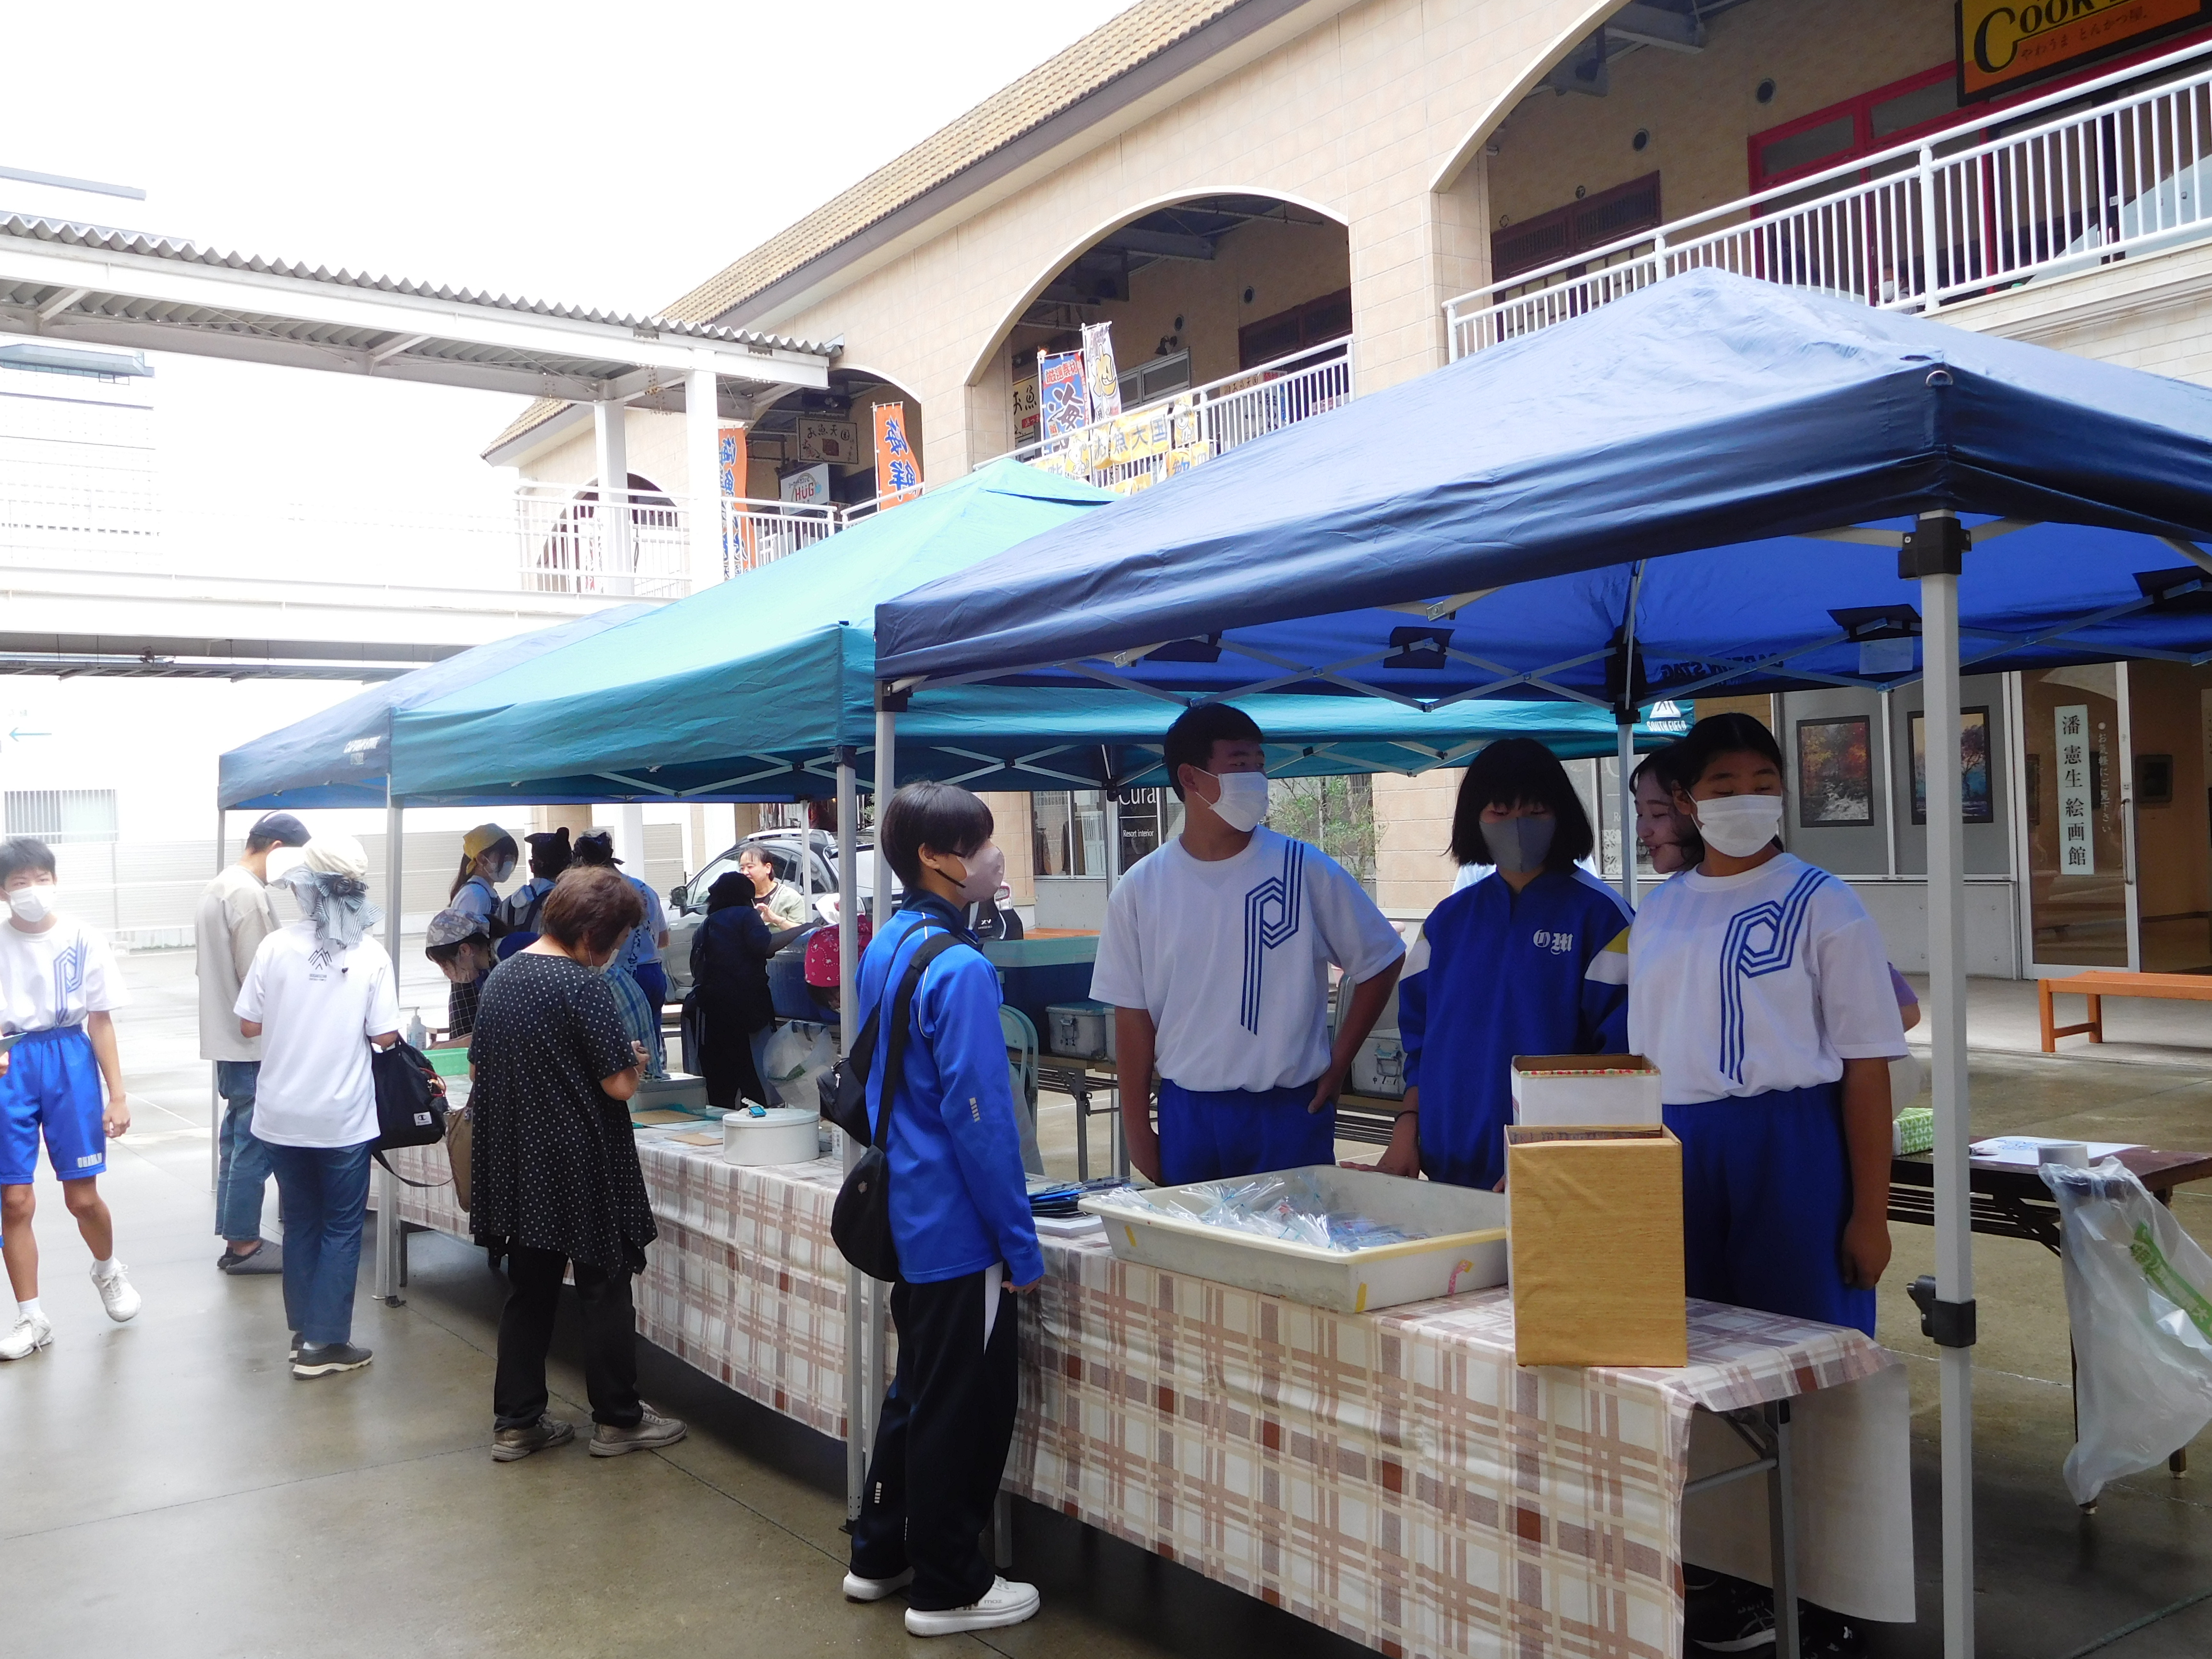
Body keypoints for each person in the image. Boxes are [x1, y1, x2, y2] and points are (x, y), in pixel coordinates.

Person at [1628, 712, 1904, 1337]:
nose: (1745, 800)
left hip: (1790, 1144)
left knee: (1802, 1336)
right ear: (1687, 800)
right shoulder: (1660, 910)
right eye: (1724, 788)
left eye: (1763, 784)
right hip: (1675, 1142)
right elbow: (1643, 1052)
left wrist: (1871, 1216)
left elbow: (1868, 1064)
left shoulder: (1824, 901)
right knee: (1693, 1336)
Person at [843, 782, 1043, 1636]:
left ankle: (879, 1553)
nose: (992, 858)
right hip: (959, 1226)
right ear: (935, 858)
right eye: (978, 845)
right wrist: (1020, 1243)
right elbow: (983, 1121)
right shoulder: (960, 968)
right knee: (962, 1407)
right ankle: (949, 1584)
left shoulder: (890, 943)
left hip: (907, 1207)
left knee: (918, 1390)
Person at [1092, 704, 1406, 1186]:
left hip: (1288, 1111)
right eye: (1240, 764)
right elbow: (1132, 1016)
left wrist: (1340, 1062)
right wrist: (1136, 1129)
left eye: (1260, 765)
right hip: (1189, 1112)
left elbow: (1382, 959)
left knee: (1294, 1235)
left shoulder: (1304, 868)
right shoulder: (1140, 888)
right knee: (1193, 1238)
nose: (1256, 779)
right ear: (1190, 778)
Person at [466, 864, 688, 1463]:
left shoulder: (505, 974)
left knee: (529, 1290)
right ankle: (618, 1418)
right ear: (593, 935)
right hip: (581, 1156)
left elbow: (481, 1066)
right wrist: (634, 1061)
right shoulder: (582, 985)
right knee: (603, 1286)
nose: (615, 952)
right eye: (616, 940)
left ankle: (517, 1423)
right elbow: (618, 1085)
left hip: (519, 1158)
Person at [1386, 740, 1631, 1189]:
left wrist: (1554, 1155)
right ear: (1474, 819)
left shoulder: (1603, 919)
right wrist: (1407, 1127)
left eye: (1536, 811)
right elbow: (1419, 1045)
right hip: (1447, 1164)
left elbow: (1621, 1063)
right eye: (1500, 812)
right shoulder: (1446, 923)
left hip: (1555, 1176)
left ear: (1562, 815)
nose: (1518, 826)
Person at [233, 835, 400, 1380]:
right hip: (342, 1116)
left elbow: (249, 1024)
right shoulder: (370, 954)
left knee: (301, 1221)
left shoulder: (275, 947)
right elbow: (385, 1036)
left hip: (280, 1114)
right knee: (342, 1226)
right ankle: (325, 1344)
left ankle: (303, 1332)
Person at [0, 837, 141, 1360]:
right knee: (14, 1200)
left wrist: (117, 1096)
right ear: (3, 891)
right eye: (20, 882)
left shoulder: (83, 937)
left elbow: (101, 1020)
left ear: (55, 881)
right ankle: (31, 1317)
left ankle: (107, 1268)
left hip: (69, 1058)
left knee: (81, 1198)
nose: (32, 890)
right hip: (11, 1063)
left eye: (41, 879)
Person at [196, 808, 309, 1274]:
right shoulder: (248, 894)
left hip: (227, 1040)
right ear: (277, 849)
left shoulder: (219, 886)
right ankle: (244, 1243)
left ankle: (236, 1237)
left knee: (237, 1141)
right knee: (254, 1145)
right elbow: (262, 978)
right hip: (253, 1044)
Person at [689, 872, 779, 1110]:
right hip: (747, 1007)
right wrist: (802, 930)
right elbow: (765, 946)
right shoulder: (746, 915)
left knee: (720, 1083)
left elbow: (696, 967)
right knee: (753, 1074)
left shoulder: (706, 925)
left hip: (711, 1010)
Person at [573, 830, 671, 1012]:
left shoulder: (595, 893)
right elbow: (663, 940)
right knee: (650, 1029)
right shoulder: (645, 889)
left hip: (617, 976)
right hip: (652, 973)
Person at [494, 828, 572, 957]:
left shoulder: (507, 905)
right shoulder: (569, 904)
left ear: (531, 866)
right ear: (569, 868)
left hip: (512, 969)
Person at [424, 908, 495, 1046]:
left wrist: (452, 1045)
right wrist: (449, 1043)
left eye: (445, 965)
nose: (446, 973)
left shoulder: (509, 954)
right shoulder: (483, 975)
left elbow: (503, 1031)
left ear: (465, 950)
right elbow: (487, 1029)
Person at [449, 824, 518, 934]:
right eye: (505, 857)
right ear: (482, 859)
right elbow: (471, 939)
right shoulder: (475, 895)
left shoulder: (483, 892)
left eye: (512, 857)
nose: (509, 862)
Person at [739, 844, 809, 929]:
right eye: (742, 868)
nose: (745, 872)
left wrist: (776, 919)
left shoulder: (790, 897)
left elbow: (802, 932)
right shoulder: (739, 899)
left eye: (750, 867)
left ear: (768, 868)